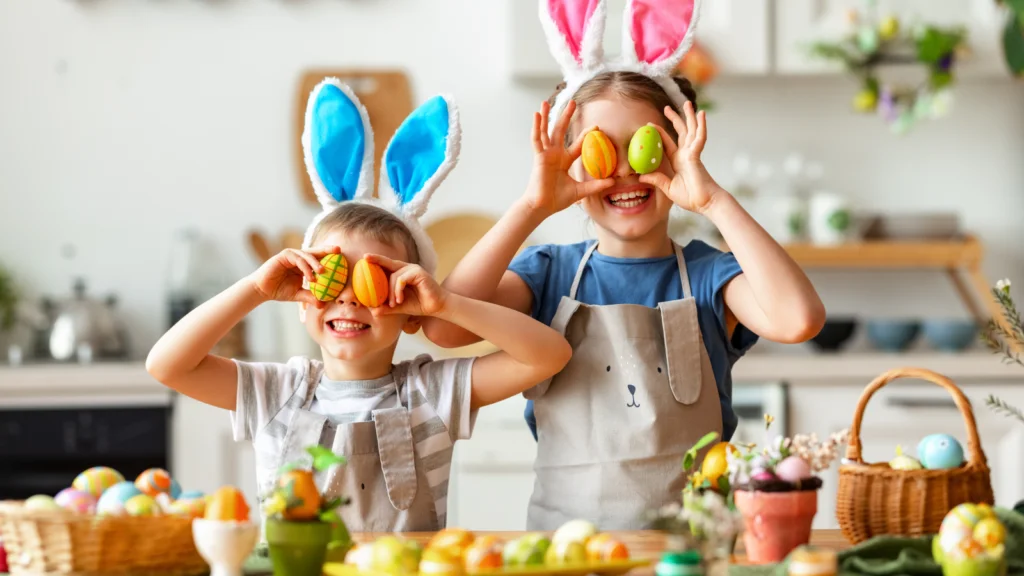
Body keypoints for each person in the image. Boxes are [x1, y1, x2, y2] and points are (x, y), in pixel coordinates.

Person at [422, 0, 826, 529]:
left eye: (645, 150)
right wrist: (533, 206)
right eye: (599, 154)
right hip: (567, 555)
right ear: (570, 164)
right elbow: (443, 327)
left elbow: (798, 320)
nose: (625, 177)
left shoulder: (710, 276)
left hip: (691, 552)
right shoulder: (548, 274)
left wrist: (711, 201)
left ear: (680, 152)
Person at [146, 80, 572, 532]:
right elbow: (167, 366)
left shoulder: (433, 393)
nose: (348, 296)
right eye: (331, 278)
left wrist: (445, 304)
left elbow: (549, 355)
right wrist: (255, 288)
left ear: (410, 311)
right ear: (300, 300)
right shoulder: (275, 392)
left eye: (372, 282)